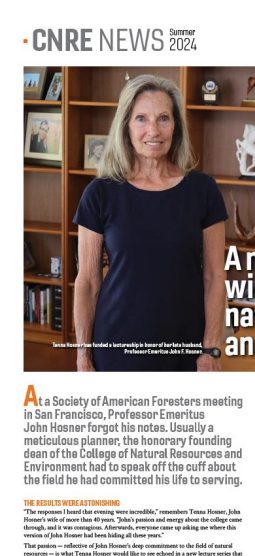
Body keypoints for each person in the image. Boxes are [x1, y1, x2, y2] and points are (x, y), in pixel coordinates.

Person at [73, 74, 227, 371]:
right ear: (126, 126)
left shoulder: (203, 190)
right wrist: (83, 354)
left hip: (186, 347)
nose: (153, 130)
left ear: (176, 126)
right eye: (141, 118)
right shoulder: (100, 193)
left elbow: (214, 277)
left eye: (163, 118)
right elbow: (88, 282)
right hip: (115, 346)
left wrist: (211, 348)